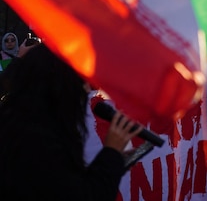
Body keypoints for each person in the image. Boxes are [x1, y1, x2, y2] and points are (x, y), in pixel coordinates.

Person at [0, 44, 142, 200]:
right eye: (79, 81)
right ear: (59, 86)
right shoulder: (37, 142)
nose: (87, 89)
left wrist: (117, 161)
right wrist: (111, 152)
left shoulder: (22, 123)